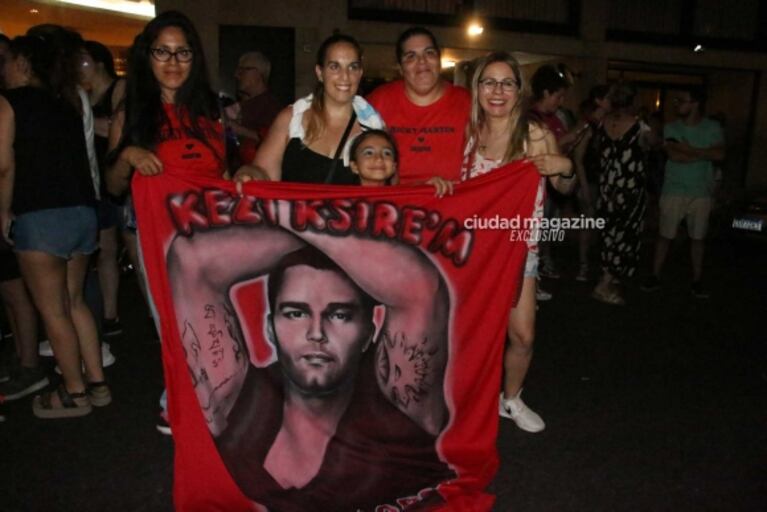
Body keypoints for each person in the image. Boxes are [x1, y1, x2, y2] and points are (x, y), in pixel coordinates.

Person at [166, 211, 455, 510]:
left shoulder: (396, 401)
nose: (316, 333)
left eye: (339, 315)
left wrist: (300, 222)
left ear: (369, 333)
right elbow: (190, 258)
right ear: (270, 328)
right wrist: (309, 226)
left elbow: (422, 288)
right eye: (296, 313)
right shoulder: (240, 400)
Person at [106, 10, 261, 432]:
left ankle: (216, 396)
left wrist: (247, 177)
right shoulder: (133, 112)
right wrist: (128, 156)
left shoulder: (210, 113)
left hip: (208, 239)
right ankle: (177, 399)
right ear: (147, 57)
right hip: (158, 239)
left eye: (183, 53)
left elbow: (222, 177)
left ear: (195, 59)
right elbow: (113, 186)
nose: (173, 63)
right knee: (172, 322)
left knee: (215, 317)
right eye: (163, 52)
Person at [460, 52, 575, 432]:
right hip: (472, 252)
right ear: (476, 89)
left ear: (518, 90)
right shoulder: (467, 135)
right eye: (488, 82)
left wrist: (566, 168)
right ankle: (468, 398)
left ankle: (510, 398)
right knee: (473, 333)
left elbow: (563, 186)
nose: (497, 91)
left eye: (506, 82)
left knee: (522, 335)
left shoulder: (535, 135)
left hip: (518, 249)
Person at [0, 34, 108, 417]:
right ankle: (97, 383)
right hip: (81, 212)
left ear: (25, 64)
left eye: (9, 60)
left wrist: (3, 212)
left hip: (40, 215)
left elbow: (3, 165)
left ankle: (74, 393)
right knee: (74, 301)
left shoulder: (11, 103)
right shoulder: (68, 104)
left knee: (53, 310)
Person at [238, 34, 384, 185]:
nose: (345, 76)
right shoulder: (291, 119)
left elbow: (386, 192)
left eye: (353, 67)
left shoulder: (374, 127)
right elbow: (264, 172)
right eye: (334, 67)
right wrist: (248, 173)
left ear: (360, 73)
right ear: (320, 73)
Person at [641, 87, 724, 298]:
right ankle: (655, 275)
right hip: (674, 189)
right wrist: (704, 154)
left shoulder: (712, 127)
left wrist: (690, 150)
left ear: (695, 103)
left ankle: (697, 280)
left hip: (701, 191)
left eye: (682, 100)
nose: (677, 104)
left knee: (698, 238)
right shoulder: (672, 127)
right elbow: (675, 156)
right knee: (664, 235)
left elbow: (720, 154)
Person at [367, 26, 470, 184]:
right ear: (400, 68)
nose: (422, 62)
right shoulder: (380, 101)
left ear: (439, 60)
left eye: (429, 53)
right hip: (395, 205)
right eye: (411, 56)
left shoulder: (466, 102)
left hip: (453, 203)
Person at [583, 83, 648, 305]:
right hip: (628, 189)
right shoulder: (639, 127)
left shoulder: (604, 123)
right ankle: (605, 284)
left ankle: (608, 280)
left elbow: (593, 134)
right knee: (624, 235)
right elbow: (654, 146)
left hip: (608, 187)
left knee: (609, 234)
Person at [80, 40, 126, 337]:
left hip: (117, 176)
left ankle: (111, 314)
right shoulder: (81, 94)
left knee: (112, 248)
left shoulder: (119, 88)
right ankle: (108, 315)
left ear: (97, 61)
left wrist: (84, 121)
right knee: (101, 249)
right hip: (90, 179)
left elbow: (117, 129)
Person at [529, 64, 570, 280]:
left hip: (549, 188)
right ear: (545, 93)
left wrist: (566, 167)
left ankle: (540, 271)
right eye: (559, 96)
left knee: (543, 233)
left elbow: (560, 161)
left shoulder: (556, 119)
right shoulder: (530, 120)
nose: (561, 102)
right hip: (530, 195)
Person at [349, 128, 453, 195]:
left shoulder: (404, 198)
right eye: (369, 153)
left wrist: (431, 189)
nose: (379, 158)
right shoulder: (341, 201)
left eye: (387, 153)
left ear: (394, 166)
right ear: (354, 166)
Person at [227, 51, 282, 163]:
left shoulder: (270, 106)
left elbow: (275, 139)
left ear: (256, 73)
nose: (237, 75)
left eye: (242, 70)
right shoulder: (245, 104)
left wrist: (237, 129)